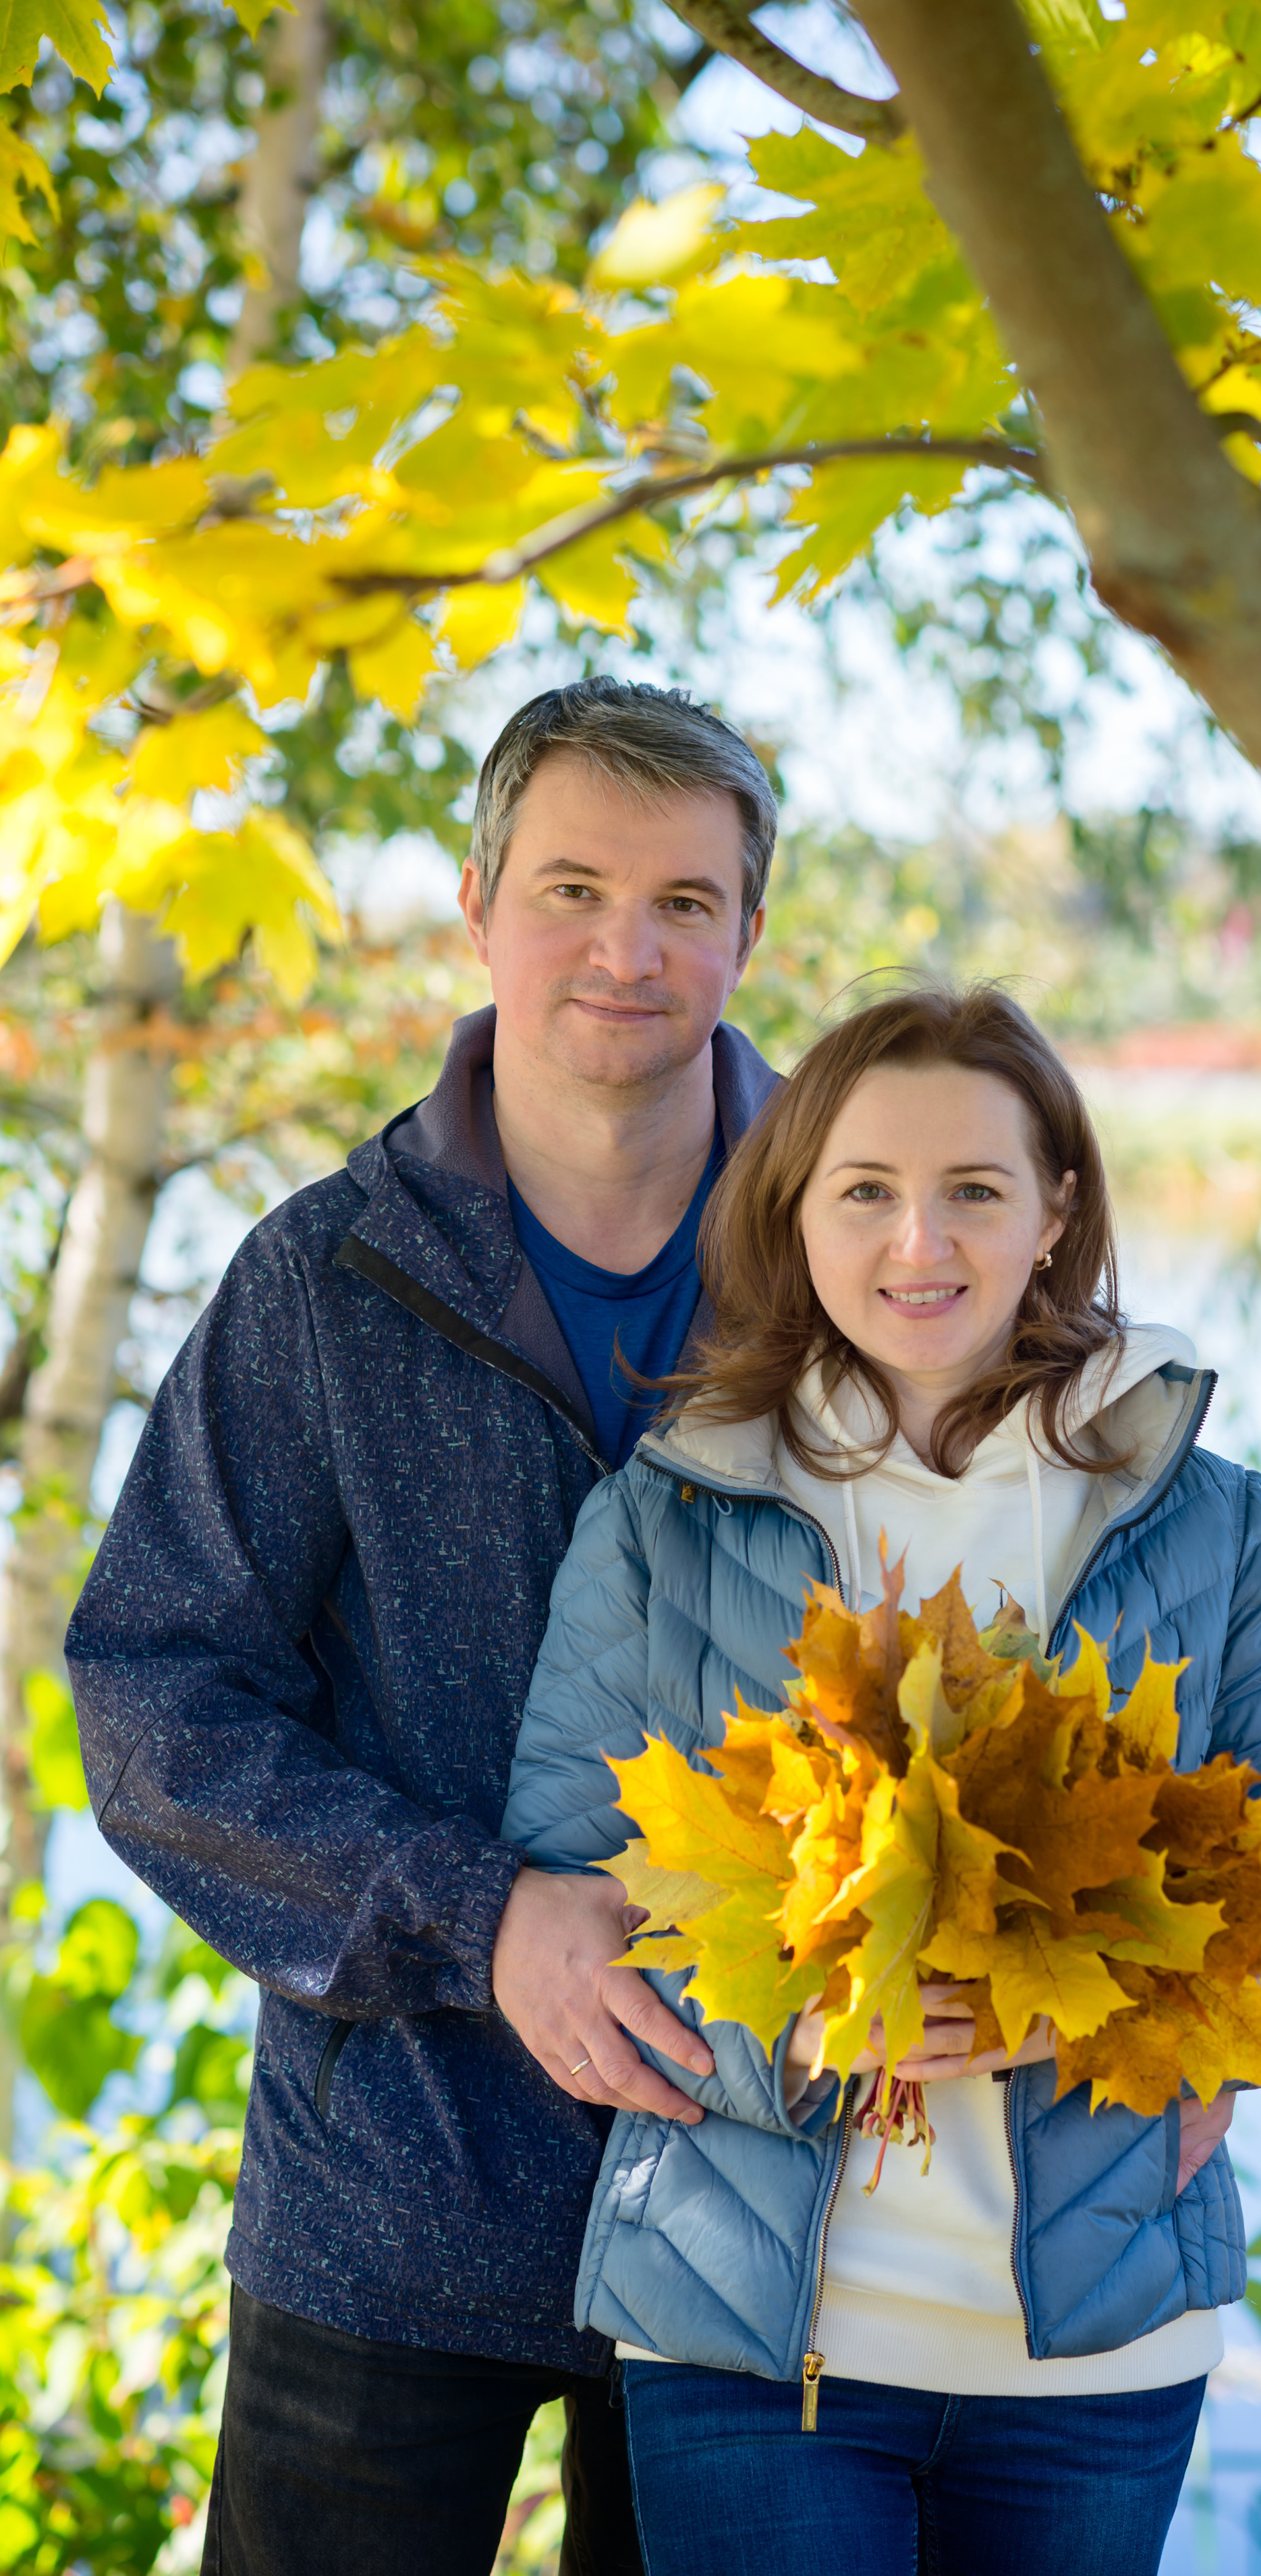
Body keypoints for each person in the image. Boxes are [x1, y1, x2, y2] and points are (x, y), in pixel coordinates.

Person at [503, 983, 1261, 2576]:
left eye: (973, 1192)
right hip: (743, 2346)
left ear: (1054, 1211)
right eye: (864, 1191)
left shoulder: (1206, 1529)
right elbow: (570, 1927)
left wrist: (1115, 2002)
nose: (915, 1243)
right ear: (793, 1210)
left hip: (1095, 2365)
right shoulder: (667, 1517)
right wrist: (782, 2033)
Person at [65, 678, 785, 2576]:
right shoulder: (321, 1276)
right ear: (478, 908)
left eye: (685, 902)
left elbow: (1037, 1645)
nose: (627, 951)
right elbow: (153, 1703)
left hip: (776, 2196)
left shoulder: (870, 1256)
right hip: (392, 2194)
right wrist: (482, 1920)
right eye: (572, 888)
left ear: (751, 931)